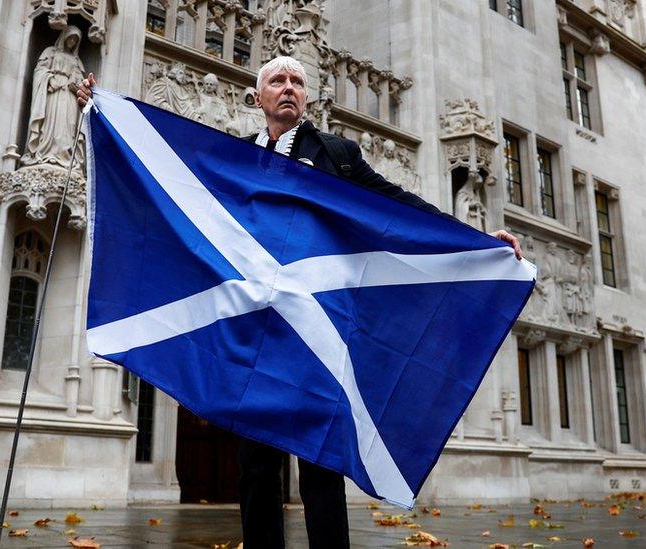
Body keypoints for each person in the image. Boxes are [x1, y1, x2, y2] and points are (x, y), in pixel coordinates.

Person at [77, 56, 522, 548]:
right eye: (277, 80)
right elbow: (163, 172)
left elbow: (398, 206)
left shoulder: (337, 154)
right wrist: (103, 114)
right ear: (258, 95)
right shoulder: (233, 157)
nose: (287, 88)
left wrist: (474, 239)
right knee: (255, 467)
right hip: (254, 340)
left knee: (319, 468)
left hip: (314, 339)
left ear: (307, 96)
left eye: (296, 81)